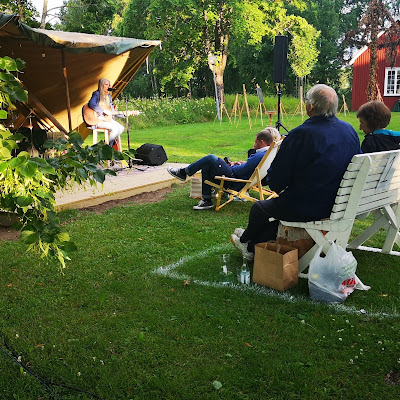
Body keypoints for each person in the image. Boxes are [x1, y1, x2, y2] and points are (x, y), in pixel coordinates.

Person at [231, 84, 362, 260]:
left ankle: (246, 242)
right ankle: (252, 241)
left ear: (311, 106)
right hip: (341, 204)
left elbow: (277, 182)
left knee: (260, 208)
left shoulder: (302, 134)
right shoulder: (349, 131)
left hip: (310, 205)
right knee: (273, 214)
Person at [167, 127, 280, 210]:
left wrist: (232, 166)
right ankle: (206, 200)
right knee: (207, 163)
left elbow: (239, 171)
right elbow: (247, 168)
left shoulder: (259, 155)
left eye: (256, 142)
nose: (254, 144)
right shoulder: (266, 154)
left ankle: (184, 173)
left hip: (235, 181)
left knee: (211, 158)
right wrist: (239, 164)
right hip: (241, 178)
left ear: (262, 142)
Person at [87, 78, 124, 147]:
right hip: (98, 120)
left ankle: (105, 144)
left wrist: (123, 114)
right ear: (101, 85)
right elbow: (91, 104)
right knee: (114, 129)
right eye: (106, 84)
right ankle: (107, 147)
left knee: (121, 128)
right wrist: (103, 111)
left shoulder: (109, 97)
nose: (108, 86)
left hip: (107, 119)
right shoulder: (96, 94)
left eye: (109, 85)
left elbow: (112, 111)